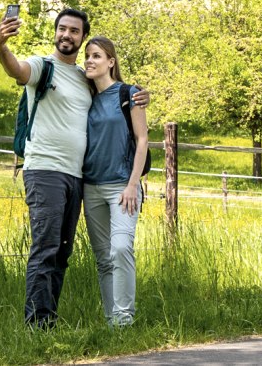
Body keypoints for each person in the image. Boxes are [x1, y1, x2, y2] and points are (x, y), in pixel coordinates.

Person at [0, 8, 146, 328]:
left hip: (77, 176)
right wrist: (1, 46)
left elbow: (112, 95)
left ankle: (50, 318)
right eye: (62, 28)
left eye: (74, 31)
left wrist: (136, 95)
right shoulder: (41, 66)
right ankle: (38, 323)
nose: (67, 35)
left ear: (81, 36)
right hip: (45, 170)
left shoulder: (83, 77)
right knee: (46, 246)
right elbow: (16, 70)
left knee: (62, 251)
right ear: (56, 32)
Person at [79, 36, 150, 327]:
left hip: (123, 186)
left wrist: (133, 184)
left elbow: (143, 139)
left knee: (120, 248)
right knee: (103, 259)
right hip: (91, 188)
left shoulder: (129, 94)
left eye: (97, 56)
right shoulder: (84, 97)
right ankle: (111, 322)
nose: (90, 61)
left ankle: (124, 320)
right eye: (88, 56)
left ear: (111, 61)